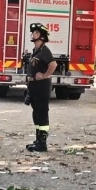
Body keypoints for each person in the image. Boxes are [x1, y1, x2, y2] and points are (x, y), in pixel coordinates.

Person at [24, 22, 56, 152]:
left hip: (42, 86)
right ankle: (38, 140)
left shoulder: (44, 51)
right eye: (33, 32)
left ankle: (42, 143)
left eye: (36, 32)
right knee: (36, 112)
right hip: (34, 86)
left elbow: (53, 65)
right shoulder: (36, 51)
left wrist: (44, 75)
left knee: (42, 113)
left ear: (42, 36)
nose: (33, 34)